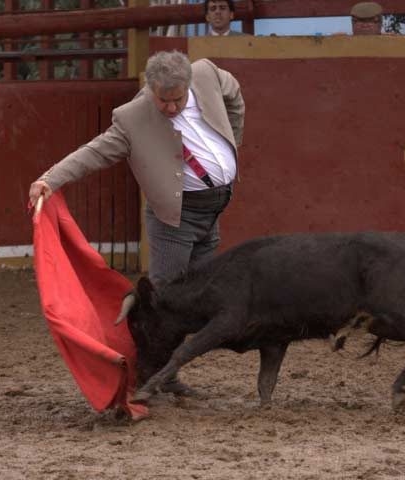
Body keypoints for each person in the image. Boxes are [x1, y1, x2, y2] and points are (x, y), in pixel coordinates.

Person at [29, 51, 245, 395]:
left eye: (177, 100)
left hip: (214, 209)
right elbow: (95, 152)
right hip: (176, 217)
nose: (171, 108)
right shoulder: (133, 117)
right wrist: (50, 180)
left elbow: (234, 96)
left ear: (189, 85)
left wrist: (231, 143)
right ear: (151, 89)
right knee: (165, 299)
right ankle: (156, 376)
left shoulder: (207, 75)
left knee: (197, 296)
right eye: (163, 101)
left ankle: (165, 373)